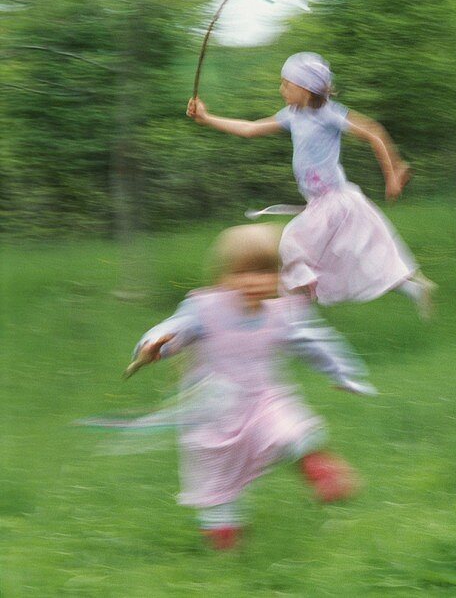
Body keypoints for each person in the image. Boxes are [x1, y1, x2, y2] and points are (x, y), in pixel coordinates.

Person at [124, 223, 376, 550]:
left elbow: (315, 343)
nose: (250, 281)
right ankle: (226, 545)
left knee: (293, 430)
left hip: (264, 401)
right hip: (215, 414)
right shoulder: (205, 309)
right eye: (239, 273)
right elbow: (175, 330)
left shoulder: (283, 312)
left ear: (278, 276)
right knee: (217, 484)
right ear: (222, 277)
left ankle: (322, 473)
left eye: (262, 272)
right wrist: (154, 345)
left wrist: (344, 373)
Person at [186, 52, 435, 316]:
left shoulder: (329, 114)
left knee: (292, 245)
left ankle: (291, 310)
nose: (281, 89)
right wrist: (207, 118)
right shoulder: (292, 114)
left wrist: (393, 174)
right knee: (355, 261)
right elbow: (251, 129)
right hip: (319, 203)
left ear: (306, 89)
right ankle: (415, 289)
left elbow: (373, 132)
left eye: (286, 84)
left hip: (336, 202)